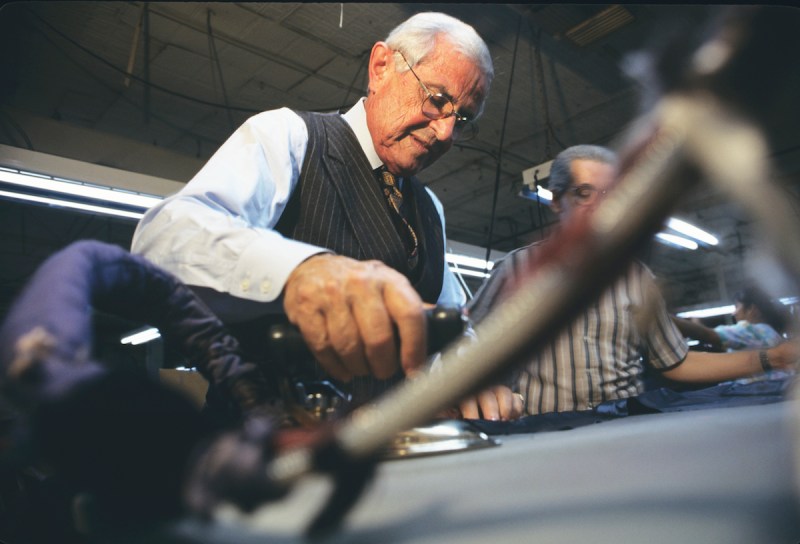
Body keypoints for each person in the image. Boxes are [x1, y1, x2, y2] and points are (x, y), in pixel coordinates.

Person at [131, 13, 520, 421]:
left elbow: (449, 325)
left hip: (387, 461)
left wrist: (474, 375)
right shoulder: (289, 137)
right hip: (266, 455)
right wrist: (299, 272)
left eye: (461, 119)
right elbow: (163, 238)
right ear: (382, 67)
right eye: (437, 99)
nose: (445, 134)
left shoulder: (430, 208)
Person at [468, 144, 798, 416]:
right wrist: (483, 387)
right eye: (584, 193)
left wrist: (773, 358)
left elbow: (676, 362)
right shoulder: (515, 270)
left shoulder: (638, 278)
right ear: (556, 201)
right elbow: (461, 349)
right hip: (543, 435)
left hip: (624, 428)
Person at [672, 285, 787, 351]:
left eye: (737, 307)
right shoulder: (774, 335)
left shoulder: (752, 331)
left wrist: (695, 324)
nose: (734, 313)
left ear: (752, 310)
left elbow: (708, 335)